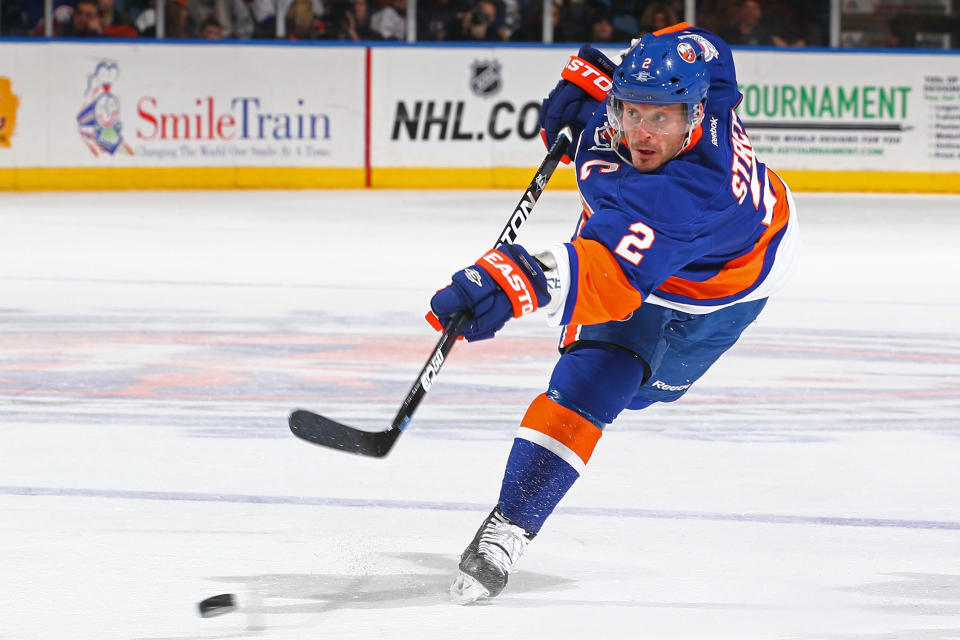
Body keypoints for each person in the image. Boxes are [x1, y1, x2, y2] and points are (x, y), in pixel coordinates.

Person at [427, 22, 800, 604]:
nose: (641, 133)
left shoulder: (692, 190)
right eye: (631, 110)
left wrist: (516, 280)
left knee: (649, 392)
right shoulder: (706, 68)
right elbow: (691, 37)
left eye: (661, 119)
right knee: (594, 382)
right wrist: (603, 81)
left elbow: (608, 275)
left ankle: (624, 382)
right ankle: (512, 524)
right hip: (635, 256)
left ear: (695, 115)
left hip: (725, 290)